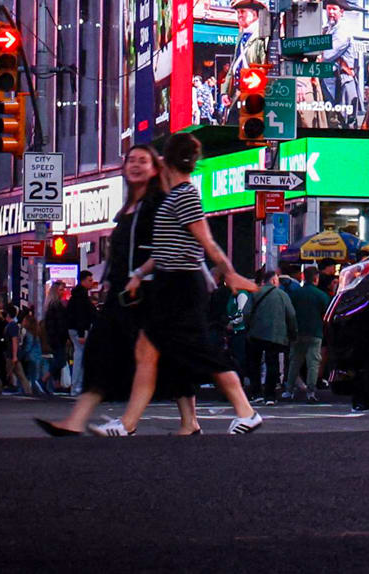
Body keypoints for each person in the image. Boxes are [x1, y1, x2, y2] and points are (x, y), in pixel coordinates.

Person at [37, 139, 263, 438]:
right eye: (132, 159)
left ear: (162, 164)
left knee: (196, 351)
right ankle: (138, 423)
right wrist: (137, 273)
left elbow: (204, 240)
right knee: (158, 352)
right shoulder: (165, 199)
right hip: (166, 283)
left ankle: (244, 412)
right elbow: (167, 248)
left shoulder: (177, 197)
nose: (137, 164)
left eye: (146, 160)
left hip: (177, 285)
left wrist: (229, 273)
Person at [244, 266, 295, 397]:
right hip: (276, 335)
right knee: (272, 362)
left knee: (255, 363)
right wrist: (292, 333)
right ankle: (270, 394)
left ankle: (256, 392)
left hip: (256, 333)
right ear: (273, 281)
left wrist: (249, 327)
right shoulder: (283, 295)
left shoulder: (255, 293)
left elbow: (246, 312)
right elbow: (291, 315)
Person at [286, 266, 328, 401]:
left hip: (297, 331)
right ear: (316, 278)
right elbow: (326, 314)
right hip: (315, 331)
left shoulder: (296, 294)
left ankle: (289, 389)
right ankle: (311, 391)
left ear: (304, 276)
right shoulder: (321, 295)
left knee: (295, 361)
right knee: (313, 362)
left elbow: (290, 312)